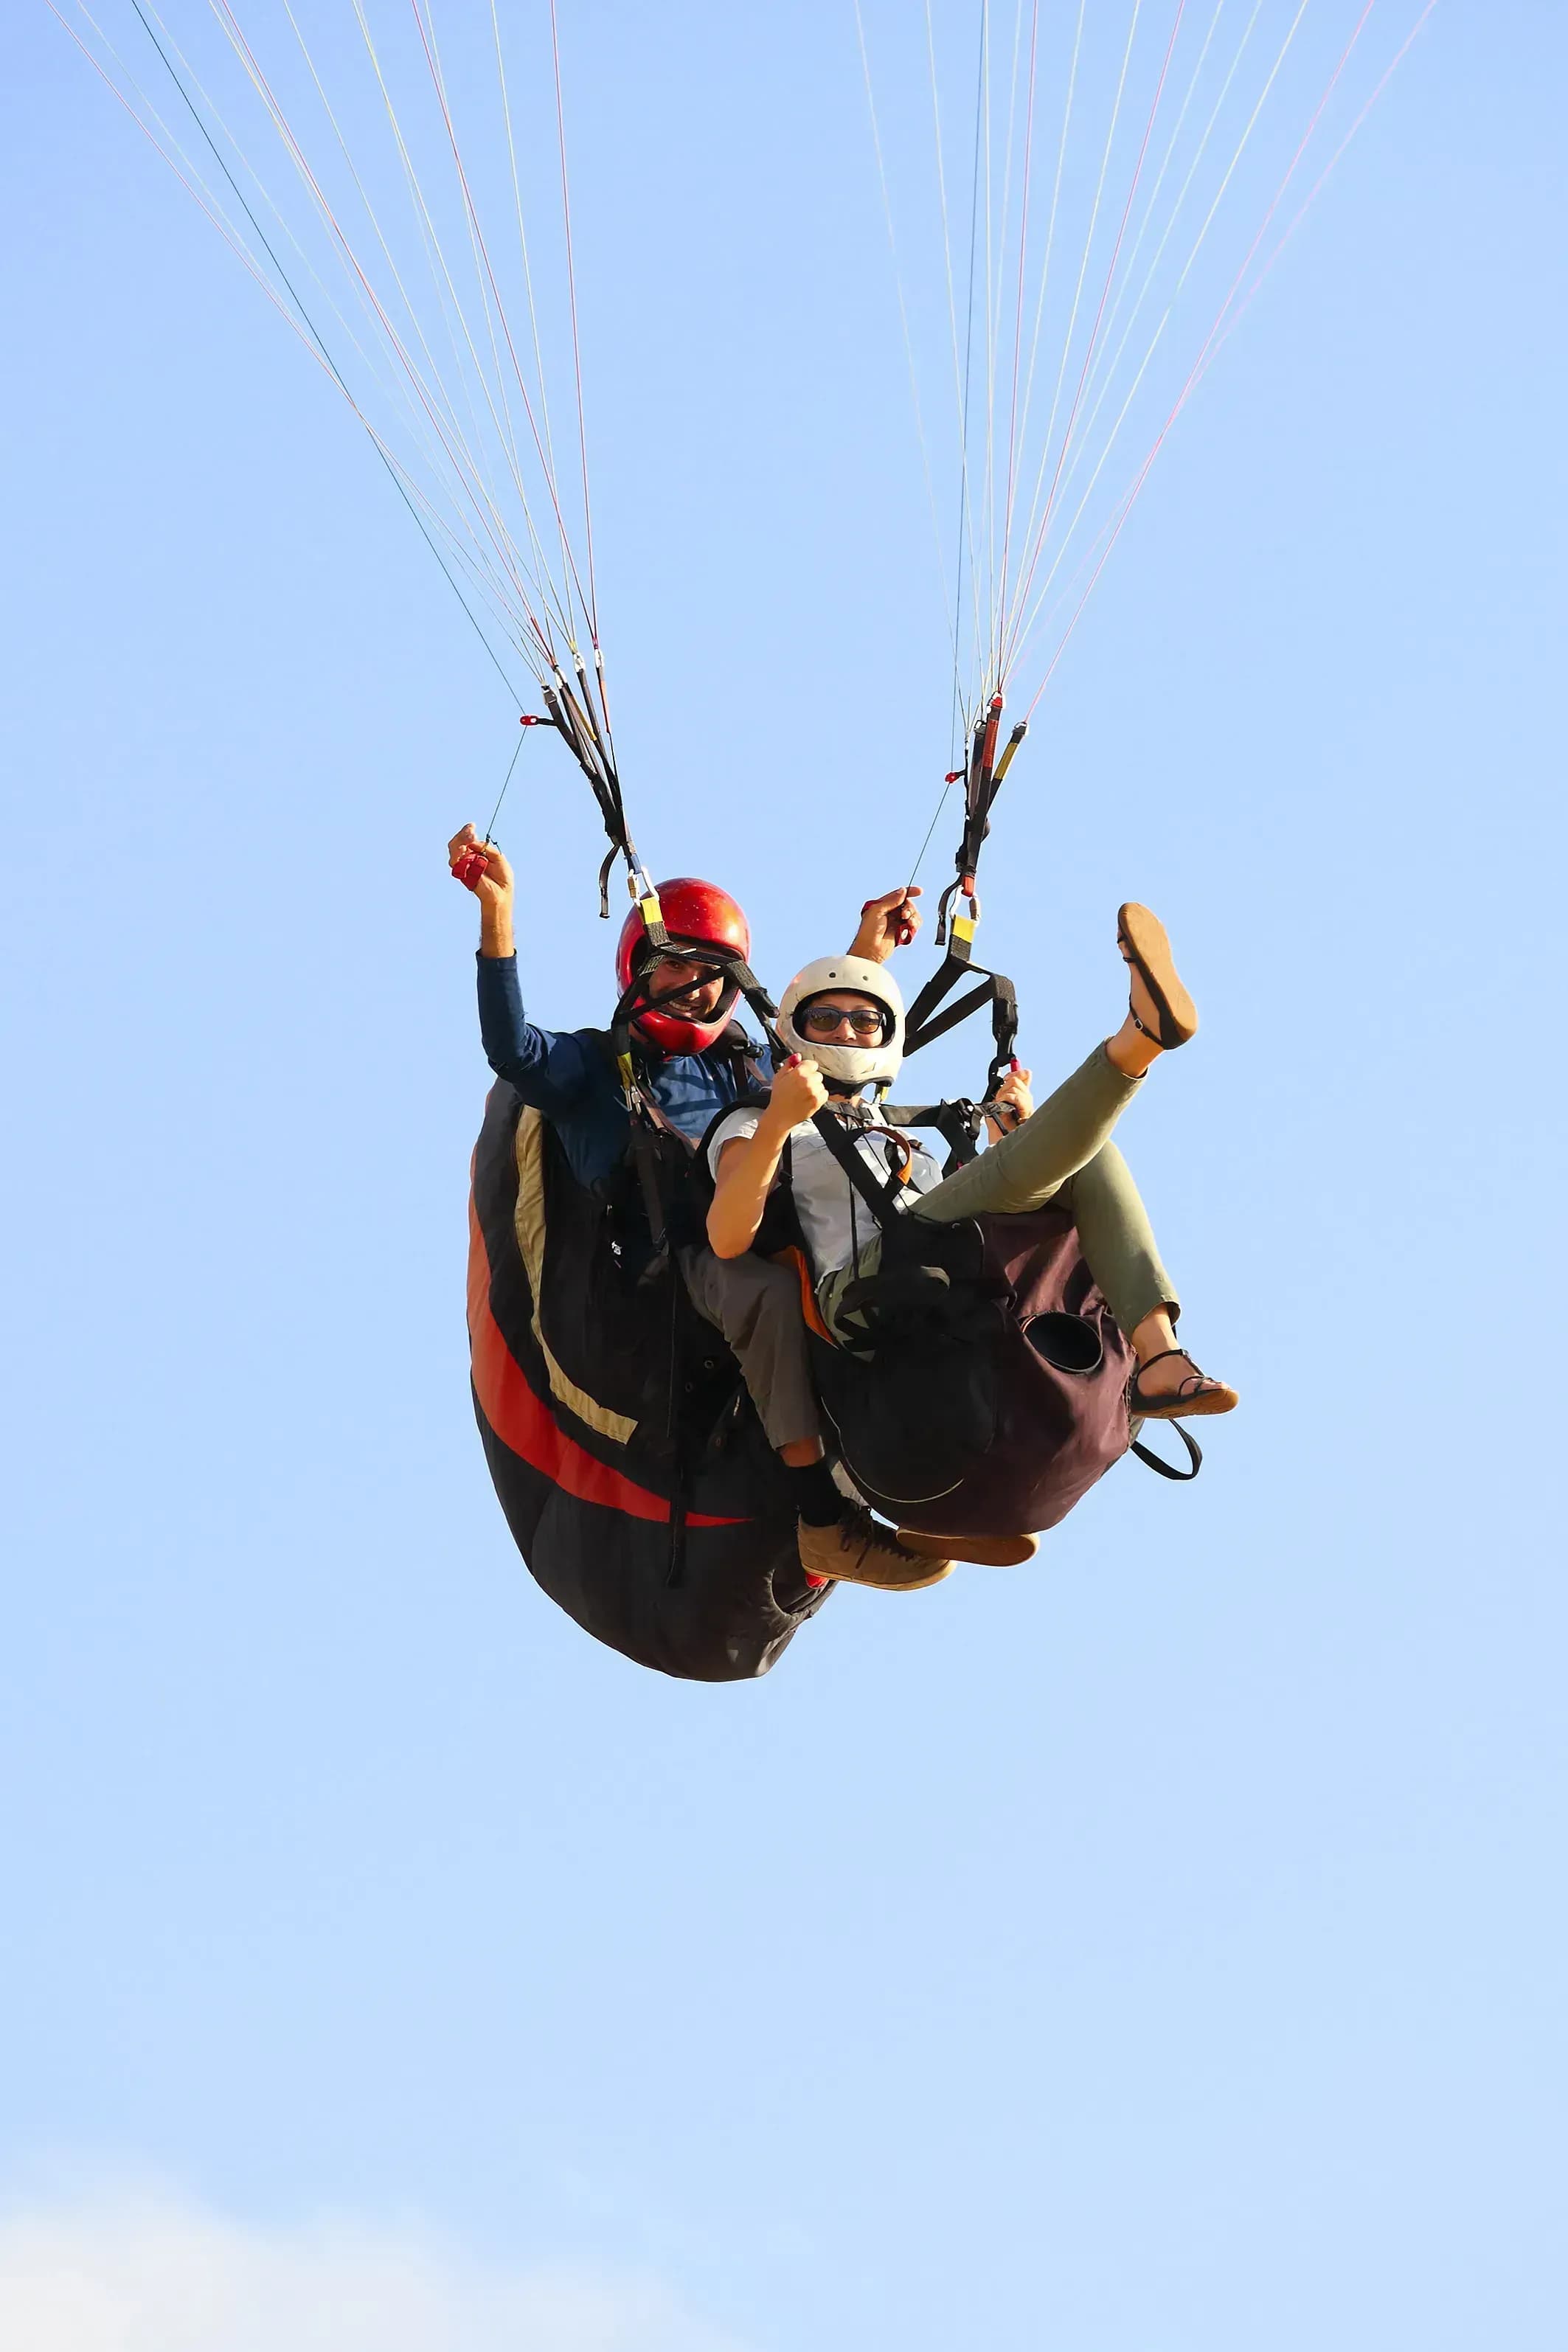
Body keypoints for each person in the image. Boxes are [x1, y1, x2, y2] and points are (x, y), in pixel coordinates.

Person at [448, 822, 948, 1595]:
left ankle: (940, 1434)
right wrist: (498, 915)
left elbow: (820, 1054)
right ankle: (823, 1522)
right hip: (677, 1264)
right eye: (674, 966)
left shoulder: (741, 1059)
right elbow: (513, 1049)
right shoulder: (592, 1066)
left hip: (780, 1219)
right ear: (636, 972)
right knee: (765, 1291)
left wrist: (864, 952)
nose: (693, 986)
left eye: (711, 972)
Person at [706, 903, 1238, 1536]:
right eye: (825, 1018)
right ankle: (1136, 1044)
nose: (847, 1032)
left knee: (1091, 1160)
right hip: (857, 1291)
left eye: (865, 1020)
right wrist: (777, 1122)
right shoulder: (755, 1121)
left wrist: (1012, 1141)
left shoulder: (893, 1131)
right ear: (796, 1032)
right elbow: (727, 1235)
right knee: (1032, 1163)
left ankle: (1160, 1354)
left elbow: (961, 1213)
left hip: (932, 1257)